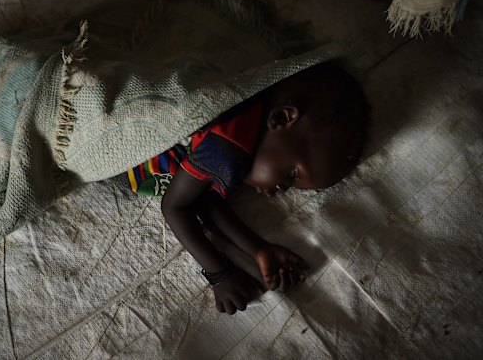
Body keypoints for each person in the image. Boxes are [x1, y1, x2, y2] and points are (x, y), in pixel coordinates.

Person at [119, 61, 370, 314]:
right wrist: (220, 274)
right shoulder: (228, 148)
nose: (283, 189)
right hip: (128, 139)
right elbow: (175, 205)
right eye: (292, 174)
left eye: (297, 187)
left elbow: (203, 196)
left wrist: (259, 250)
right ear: (282, 117)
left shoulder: (250, 112)